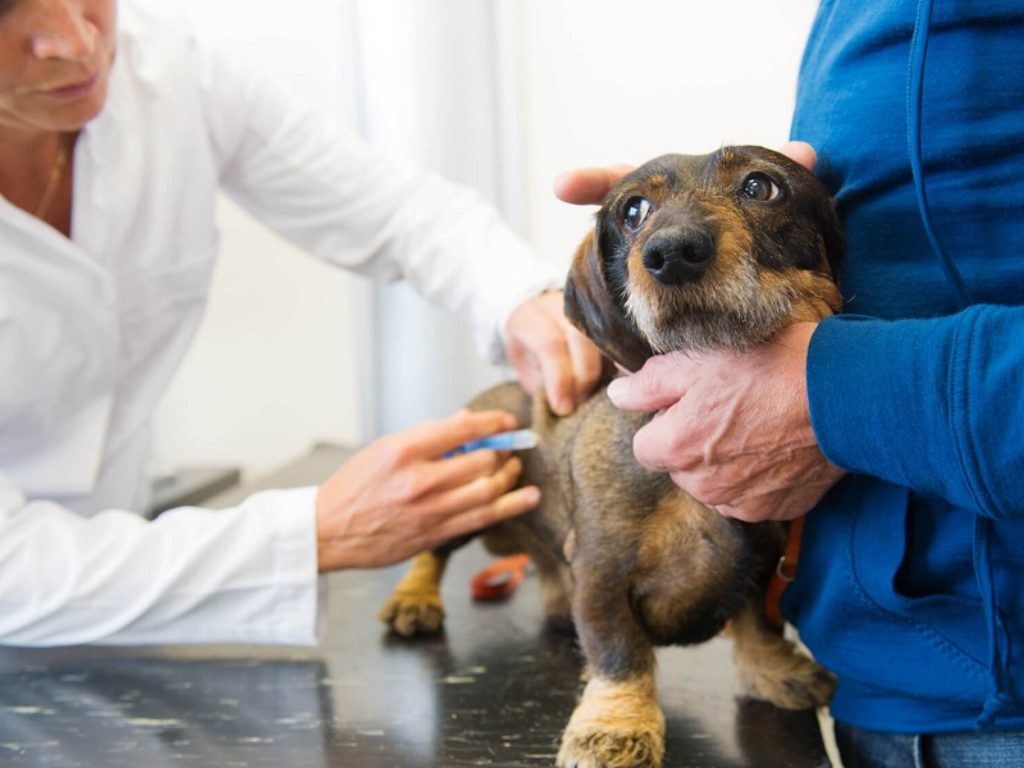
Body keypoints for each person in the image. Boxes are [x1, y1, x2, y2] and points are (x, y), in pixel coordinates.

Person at [0, 0, 602, 646]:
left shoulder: (169, 71)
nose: (74, 39)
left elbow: (390, 207)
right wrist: (314, 532)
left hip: (128, 593)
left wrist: (526, 296)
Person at [556, 2, 1024, 766]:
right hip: (870, 680)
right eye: (639, 218)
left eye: (760, 190)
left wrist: (836, 391)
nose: (667, 242)